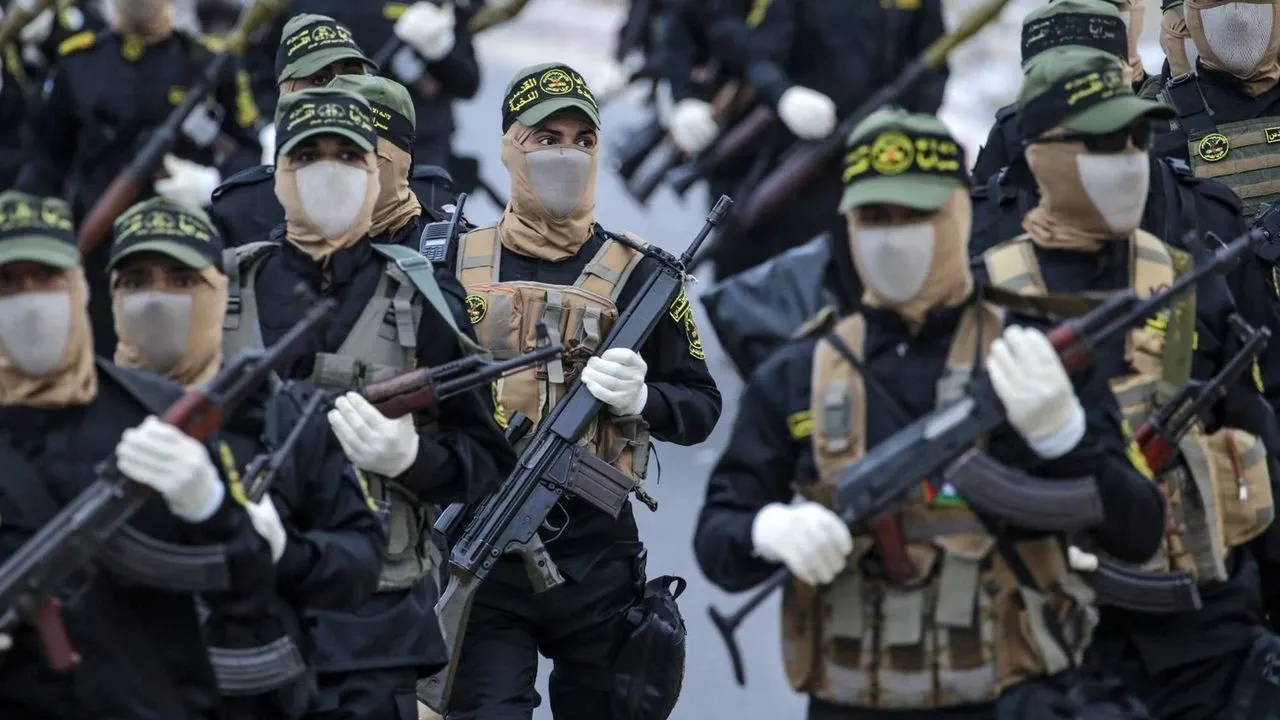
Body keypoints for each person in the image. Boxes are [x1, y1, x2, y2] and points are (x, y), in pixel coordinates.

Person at [694, 109, 1163, 720]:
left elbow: (1139, 531)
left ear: (960, 213)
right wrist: (769, 530)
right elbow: (719, 536)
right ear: (847, 225)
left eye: (917, 215)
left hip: (1010, 699)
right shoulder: (800, 372)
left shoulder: (1031, 355)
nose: (895, 238)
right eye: (875, 218)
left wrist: (1065, 437)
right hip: (853, 703)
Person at [973, 47, 1280, 719]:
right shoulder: (986, 298)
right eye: (1104, 145)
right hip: (1046, 646)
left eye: (1139, 141)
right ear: (1044, 155)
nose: (1130, 161)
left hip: (1203, 636)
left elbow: (1255, 437)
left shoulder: (1192, 277)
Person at [219, 86, 513, 720]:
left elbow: (485, 460)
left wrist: (411, 460)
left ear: (373, 174)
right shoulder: (224, 290)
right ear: (279, 174)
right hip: (240, 613)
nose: (329, 172)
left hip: (374, 629)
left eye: (349, 157)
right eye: (308, 156)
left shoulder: (423, 297)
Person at [439, 61, 721, 720]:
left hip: (599, 564)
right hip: (484, 556)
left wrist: (644, 399)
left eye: (582, 140)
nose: (566, 154)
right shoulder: (454, 262)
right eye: (547, 138)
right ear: (511, 146)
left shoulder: (642, 277)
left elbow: (701, 407)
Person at [104, 195, 388, 718]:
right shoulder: (79, 417)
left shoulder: (280, 414)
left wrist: (283, 550)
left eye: (182, 280)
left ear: (219, 292)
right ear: (111, 297)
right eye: (136, 282)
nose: (157, 300)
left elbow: (360, 562)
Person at [0, 189, 278, 717]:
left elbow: (249, 591)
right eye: (8, 283)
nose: (29, 301)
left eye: (46, 278)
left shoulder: (156, 410)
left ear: (77, 286)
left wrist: (211, 506)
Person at [15, 0, 263, 358]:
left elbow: (250, 154)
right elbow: (45, 167)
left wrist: (211, 182)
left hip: (186, 254)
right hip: (102, 253)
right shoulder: (79, 62)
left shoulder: (206, 63)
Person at [671, 0, 947, 279]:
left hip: (867, 166)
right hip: (787, 152)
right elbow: (761, 59)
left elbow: (932, 68)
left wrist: (905, 122)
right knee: (748, 266)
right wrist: (784, 95)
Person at [211, 13, 459, 249]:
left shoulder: (425, 193)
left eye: (352, 76)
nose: (342, 89)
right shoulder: (242, 208)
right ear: (285, 97)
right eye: (319, 80)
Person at [251, 0, 480, 179]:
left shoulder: (432, 4)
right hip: (321, 148)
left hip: (416, 155)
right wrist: (269, 125)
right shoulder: (294, 5)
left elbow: (468, 83)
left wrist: (441, 51)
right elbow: (258, 66)